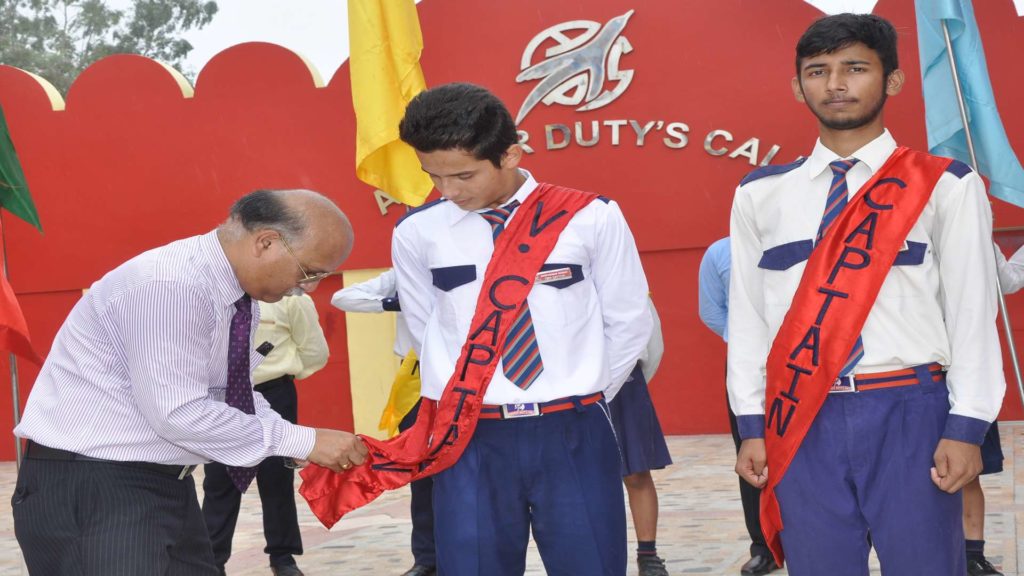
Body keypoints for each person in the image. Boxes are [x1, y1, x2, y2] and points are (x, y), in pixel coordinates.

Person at [727, 14, 1005, 576]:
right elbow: (750, 321)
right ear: (797, 85)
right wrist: (751, 424)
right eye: (818, 71)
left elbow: (973, 314)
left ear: (892, 79)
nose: (835, 84)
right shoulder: (760, 195)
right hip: (801, 415)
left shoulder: (945, 184)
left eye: (855, 68)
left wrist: (967, 426)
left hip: (911, 412)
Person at [12, 189, 368, 576]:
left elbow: (231, 394)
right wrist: (303, 440)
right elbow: (179, 413)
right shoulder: (171, 285)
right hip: (98, 488)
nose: (309, 287)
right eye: (309, 272)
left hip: (161, 483)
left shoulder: (233, 295)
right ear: (266, 242)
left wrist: (299, 441)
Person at [393, 82, 652, 576]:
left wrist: (584, 395)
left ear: (510, 154)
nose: (449, 191)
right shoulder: (417, 233)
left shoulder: (590, 217)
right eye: (434, 176)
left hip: (573, 429)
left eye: (463, 175)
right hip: (470, 437)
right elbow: (428, 331)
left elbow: (628, 322)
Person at [202, 293, 330, 576]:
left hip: (274, 393)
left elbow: (315, 352)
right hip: (224, 395)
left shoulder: (291, 299)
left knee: (277, 478)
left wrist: (282, 373)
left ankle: (283, 558)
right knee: (220, 479)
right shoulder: (214, 296)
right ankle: (211, 561)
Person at [331, 269, 437, 576]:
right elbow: (342, 297)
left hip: (464, 379)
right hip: (417, 381)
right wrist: (392, 303)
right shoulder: (403, 273)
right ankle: (427, 559)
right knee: (420, 475)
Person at [698, 236, 780, 576]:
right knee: (751, 454)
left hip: (802, 361)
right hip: (747, 366)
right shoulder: (719, 252)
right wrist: (746, 338)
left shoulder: (804, 232)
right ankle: (763, 546)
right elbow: (711, 311)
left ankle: (815, 537)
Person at [608, 298, 672, 576]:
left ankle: (648, 555)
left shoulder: (628, 284)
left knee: (637, 473)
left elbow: (651, 340)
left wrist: (628, 380)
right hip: (572, 387)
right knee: (580, 478)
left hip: (624, 382)